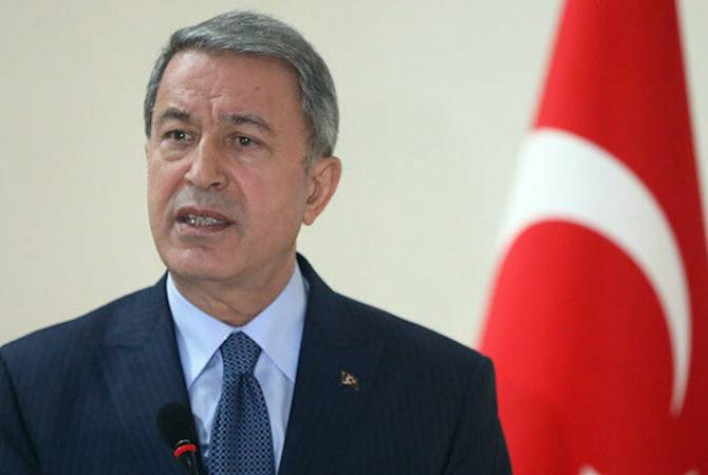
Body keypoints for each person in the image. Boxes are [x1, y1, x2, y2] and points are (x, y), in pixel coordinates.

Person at [0, 11, 510, 475]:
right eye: (178, 135)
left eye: (243, 140)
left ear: (316, 188)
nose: (201, 172)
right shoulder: (32, 388)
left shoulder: (441, 394)